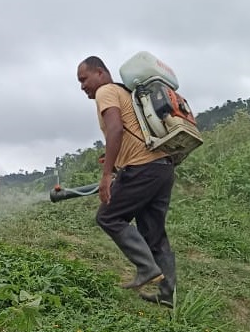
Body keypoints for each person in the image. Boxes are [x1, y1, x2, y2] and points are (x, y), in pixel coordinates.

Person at [75, 55, 176, 307]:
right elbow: (130, 132)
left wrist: (106, 175)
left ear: (100, 73)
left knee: (108, 216)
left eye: (84, 79)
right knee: (154, 234)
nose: (82, 86)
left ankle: (146, 268)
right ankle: (167, 295)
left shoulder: (106, 91)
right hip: (163, 167)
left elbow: (116, 129)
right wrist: (113, 160)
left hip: (142, 167)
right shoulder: (126, 92)